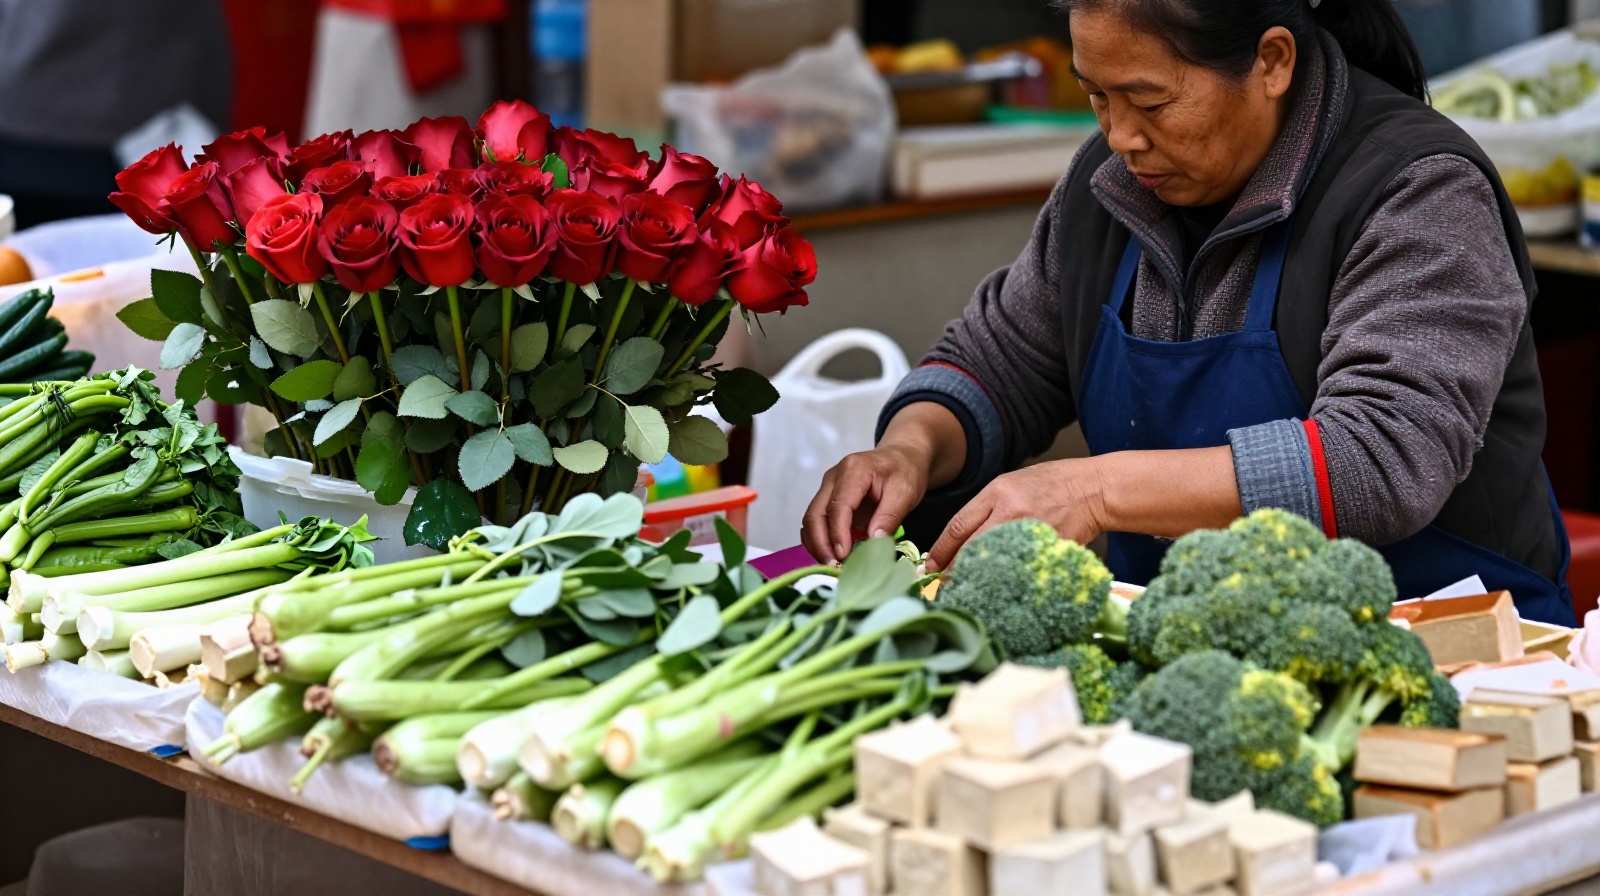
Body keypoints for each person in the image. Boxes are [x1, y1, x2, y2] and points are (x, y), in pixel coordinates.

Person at [804, 0, 1576, 625]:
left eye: (1149, 100)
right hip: (1193, 646)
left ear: (1272, 61)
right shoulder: (1109, 183)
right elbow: (998, 360)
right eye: (1096, 97)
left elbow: (1379, 459)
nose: (1121, 137)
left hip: (1455, 657)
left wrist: (1095, 491)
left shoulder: (1419, 191)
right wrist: (908, 450)